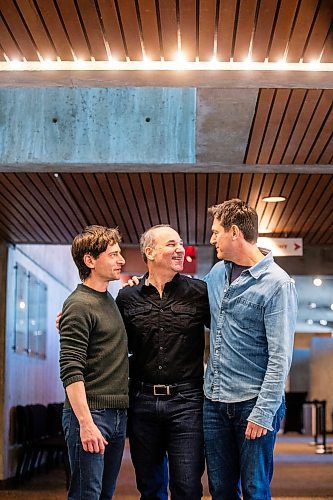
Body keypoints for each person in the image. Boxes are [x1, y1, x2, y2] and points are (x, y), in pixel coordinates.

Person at [203, 199, 298, 500]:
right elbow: (188, 301)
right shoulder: (217, 273)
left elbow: (281, 357)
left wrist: (263, 412)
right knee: (219, 489)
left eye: (216, 232)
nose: (211, 239)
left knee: (255, 489)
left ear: (234, 232)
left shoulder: (278, 284)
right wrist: (141, 286)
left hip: (253, 403)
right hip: (214, 401)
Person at [116, 224, 210, 500]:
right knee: (149, 487)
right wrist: (71, 319)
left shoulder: (199, 292)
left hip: (187, 402)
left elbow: (224, 332)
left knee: (187, 486)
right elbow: (108, 337)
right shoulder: (127, 296)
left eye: (180, 243)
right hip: (142, 402)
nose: (180, 249)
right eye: (171, 244)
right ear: (150, 252)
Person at [59, 225, 129, 500]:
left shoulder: (108, 300)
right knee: (85, 495)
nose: (121, 260)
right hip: (91, 415)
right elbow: (70, 370)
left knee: (103, 495)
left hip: (116, 414)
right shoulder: (78, 305)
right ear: (90, 260)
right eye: (113, 254)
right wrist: (86, 423)